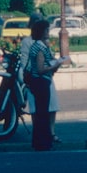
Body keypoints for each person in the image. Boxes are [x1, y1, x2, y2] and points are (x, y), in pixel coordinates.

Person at [18, 18, 69, 151]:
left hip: (37, 81)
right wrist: (55, 66)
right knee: (43, 113)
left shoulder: (36, 45)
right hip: (41, 82)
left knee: (40, 113)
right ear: (42, 32)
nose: (48, 32)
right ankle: (44, 142)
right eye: (46, 30)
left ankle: (38, 141)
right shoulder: (40, 47)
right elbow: (41, 69)